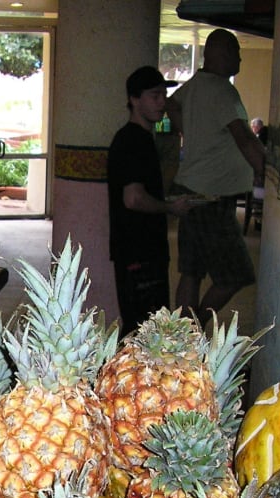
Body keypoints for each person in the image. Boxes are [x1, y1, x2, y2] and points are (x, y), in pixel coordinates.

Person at [167, 28, 266, 324]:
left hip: (189, 190)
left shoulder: (196, 84)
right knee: (237, 274)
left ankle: (182, 336)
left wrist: (189, 129)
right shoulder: (223, 90)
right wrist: (264, 171)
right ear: (220, 53)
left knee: (192, 270)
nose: (239, 60)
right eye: (236, 53)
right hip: (209, 198)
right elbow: (244, 138)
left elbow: (172, 104)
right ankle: (195, 327)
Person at [107, 66, 192, 336]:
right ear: (134, 99)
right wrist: (171, 207)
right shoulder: (132, 141)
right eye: (154, 96)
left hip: (144, 250)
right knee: (143, 331)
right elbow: (133, 198)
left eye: (164, 96)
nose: (162, 103)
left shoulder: (142, 138)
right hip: (138, 252)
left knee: (147, 327)